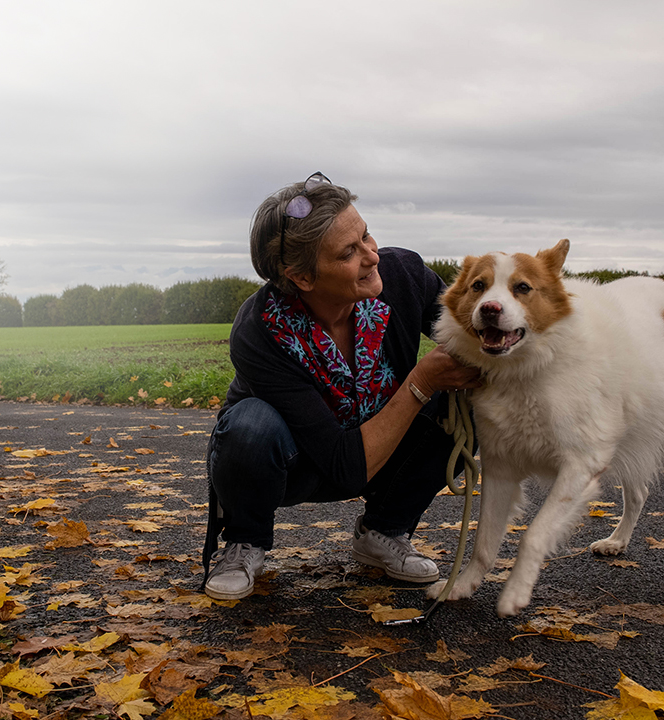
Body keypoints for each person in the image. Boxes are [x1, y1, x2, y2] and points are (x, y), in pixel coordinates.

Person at [201, 172, 483, 600]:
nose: (372, 256)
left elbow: (473, 335)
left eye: (367, 236)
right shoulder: (259, 330)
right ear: (302, 278)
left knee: (477, 401)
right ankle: (246, 540)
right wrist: (422, 380)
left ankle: (383, 532)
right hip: (301, 463)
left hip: (384, 449)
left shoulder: (404, 275)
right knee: (250, 425)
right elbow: (343, 468)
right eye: (349, 252)